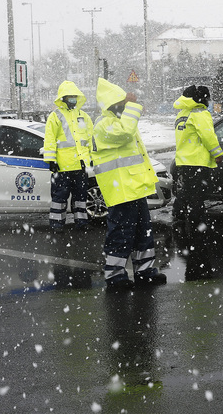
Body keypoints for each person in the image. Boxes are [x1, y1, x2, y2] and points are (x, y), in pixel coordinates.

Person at [91, 77, 166, 291]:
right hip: (120, 189)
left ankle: (145, 272)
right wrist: (132, 106)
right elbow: (125, 132)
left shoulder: (119, 120)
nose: (126, 104)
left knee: (144, 231)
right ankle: (115, 277)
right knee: (121, 233)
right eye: (122, 102)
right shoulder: (105, 124)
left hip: (131, 187)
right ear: (114, 103)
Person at [172, 85, 223, 232]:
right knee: (197, 194)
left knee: (187, 189)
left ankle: (179, 213)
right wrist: (217, 153)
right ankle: (197, 223)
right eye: (207, 98)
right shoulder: (200, 114)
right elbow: (208, 136)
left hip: (184, 160)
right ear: (203, 99)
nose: (209, 101)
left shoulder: (182, 113)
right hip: (197, 160)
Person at [43, 80, 93, 231]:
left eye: (74, 96)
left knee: (80, 197)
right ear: (63, 98)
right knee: (59, 197)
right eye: (69, 96)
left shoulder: (83, 116)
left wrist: (90, 159)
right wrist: (51, 160)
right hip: (62, 166)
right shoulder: (55, 116)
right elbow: (50, 138)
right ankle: (57, 224)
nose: (72, 98)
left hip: (80, 165)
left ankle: (81, 222)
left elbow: (90, 139)